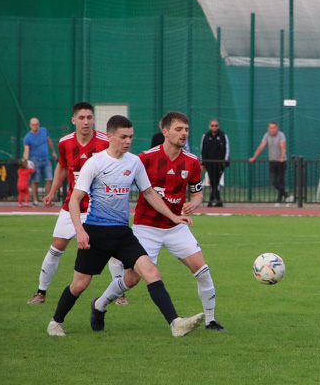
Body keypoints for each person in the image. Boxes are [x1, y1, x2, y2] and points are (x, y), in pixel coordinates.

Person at [46, 115, 204, 337]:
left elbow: (148, 192)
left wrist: (174, 216)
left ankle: (175, 323)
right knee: (80, 285)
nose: (128, 141)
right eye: (123, 137)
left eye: (130, 136)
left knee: (151, 271)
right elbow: (74, 199)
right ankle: (56, 322)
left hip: (122, 233)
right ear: (110, 136)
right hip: (96, 232)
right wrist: (80, 231)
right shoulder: (95, 163)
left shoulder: (134, 162)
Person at [92, 111, 227, 332]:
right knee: (132, 279)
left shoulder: (192, 161)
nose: (184, 133)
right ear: (164, 131)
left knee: (202, 270)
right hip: (146, 228)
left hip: (176, 227)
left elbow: (197, 192)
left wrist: (195, 203)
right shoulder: (145, 158)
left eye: (186, 129)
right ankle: (99, 304)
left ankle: (211, 320)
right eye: (178, 129)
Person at [27, 103, 129, 306]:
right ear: (74, 120)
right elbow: (62, 167)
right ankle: (41, 291)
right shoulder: (65, 143)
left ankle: (119, 293)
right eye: (81, 118)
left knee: (112, 250)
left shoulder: (103, 142)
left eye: (89, 117)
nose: (86, 121)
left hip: (100, 208)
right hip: (72, 205)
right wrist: (52, 192)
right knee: (57, 247)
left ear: (94, 119)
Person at [249, 121, 292, 203]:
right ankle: (287, 196)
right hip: (272, 162)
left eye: (274, 127)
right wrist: (254, 157)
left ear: (277, 128)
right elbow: (261, 146)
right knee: (273, 181)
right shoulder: (266, 135)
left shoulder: (281, 135)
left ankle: (279, 201)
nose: (272, 129)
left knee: (281, 181)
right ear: (268, 129)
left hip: (281, 162)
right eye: (271, 128)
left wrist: (282, 157)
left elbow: (283, 147)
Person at [23, 117, 56, 207]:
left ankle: (48, 199)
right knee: (35, 181)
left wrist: (53, 152)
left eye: (37, 124)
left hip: (46, 160)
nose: (35, 126)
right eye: (33, 125)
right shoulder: (27, 137)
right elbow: (26, 151)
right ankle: (35, 200)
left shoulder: (44, 131)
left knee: (49, 179)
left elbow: (49, 142)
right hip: (35, 161)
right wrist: (25, 160)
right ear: (30, 126)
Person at [200, 119, 229, 207]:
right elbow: (203, 149)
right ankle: (217, 200)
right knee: (213, 181)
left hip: (219, 163)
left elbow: (227, 149)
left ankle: (212, 201)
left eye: (216, 125)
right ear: (210, 126)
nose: (214, 127)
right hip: (209, 163)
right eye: (212, 125)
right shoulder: (205, 136)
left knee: (215, 182)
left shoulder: (223, 135)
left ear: (218, 126)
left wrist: (225, 160)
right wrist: (202, 163)